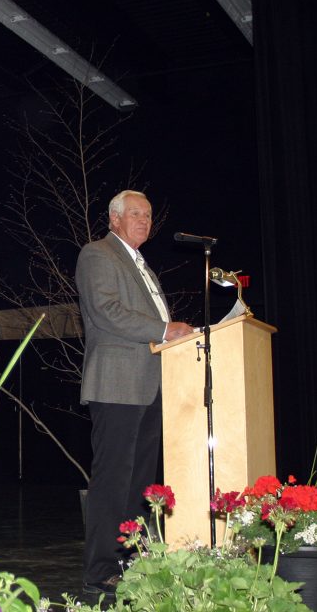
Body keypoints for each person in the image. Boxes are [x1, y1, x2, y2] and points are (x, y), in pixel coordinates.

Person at [76, 190, 194, 596]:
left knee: (139, 481)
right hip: (117, 383)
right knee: (113, 479)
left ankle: (132, 560)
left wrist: (176, 336)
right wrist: (165, 330)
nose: (144, 220)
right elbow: (106, 310)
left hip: (149, 384)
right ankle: (100, 569)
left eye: (148, 214)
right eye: (136, 214)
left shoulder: (142, 265)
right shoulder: (97, 254)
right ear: (115, 220)